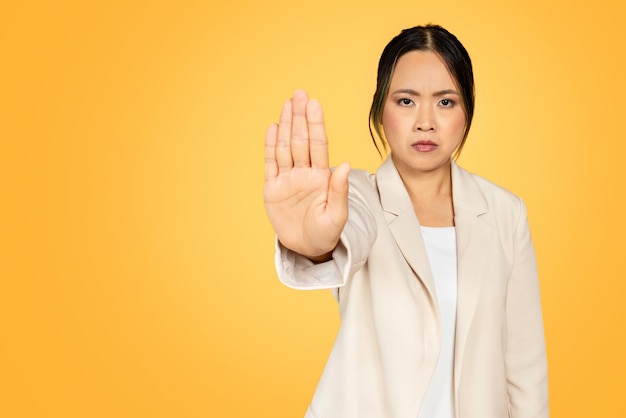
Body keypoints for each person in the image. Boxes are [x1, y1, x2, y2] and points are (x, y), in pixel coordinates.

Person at [264, 24, 548, 418]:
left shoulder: (505, 212)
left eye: (446, 102)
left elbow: (525, 367)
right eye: (406, 101)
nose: (425, 122)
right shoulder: (357, 196)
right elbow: (344, 236)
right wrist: (312, 242)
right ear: (381, 110)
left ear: (467, 111)